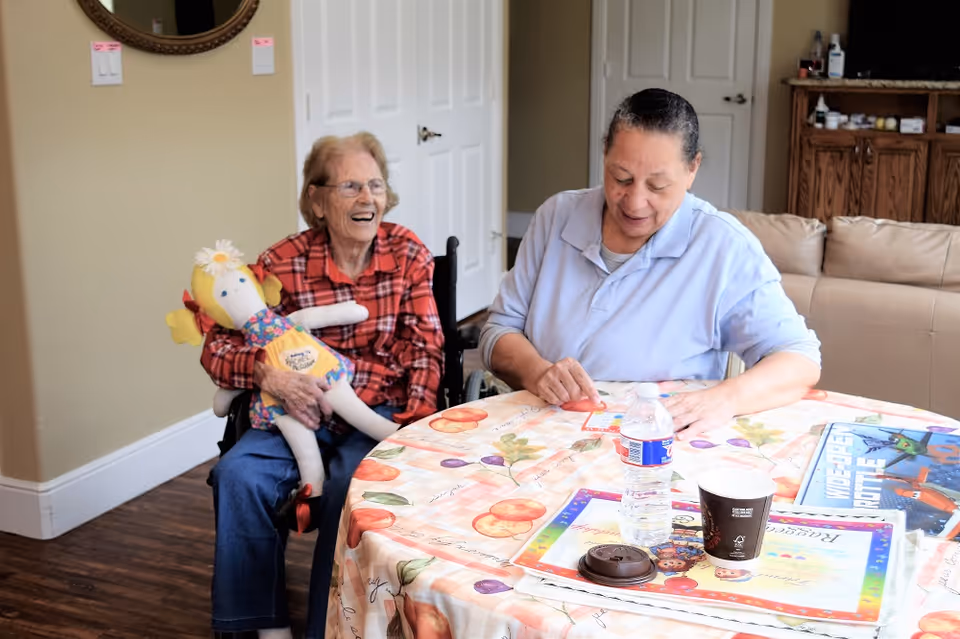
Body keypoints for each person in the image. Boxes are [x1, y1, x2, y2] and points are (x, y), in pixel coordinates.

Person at [202, 132, 444, 639]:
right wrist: (267, 374)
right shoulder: (280, 263)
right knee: (238, 477)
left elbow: (425, 348)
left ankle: (326, 630)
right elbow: (216, 347)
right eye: (350, 186)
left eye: (375, 185)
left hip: (375, 415)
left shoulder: (406, 253)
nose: (367, 199)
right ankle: (258, 626)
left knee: (349, 492)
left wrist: (413, 428)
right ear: (316, 199)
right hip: (291, 415)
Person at [479, 88, 821, 439]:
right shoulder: (556, 217)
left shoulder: (722, 247)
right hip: (538, 437)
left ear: (692, 170)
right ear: (604, 156)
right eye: (621, 178)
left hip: (654, 448)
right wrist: (537, 372)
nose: (635, 202)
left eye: (657, 186)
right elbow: (497, 332)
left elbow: (799, 359)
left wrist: (725, 398)